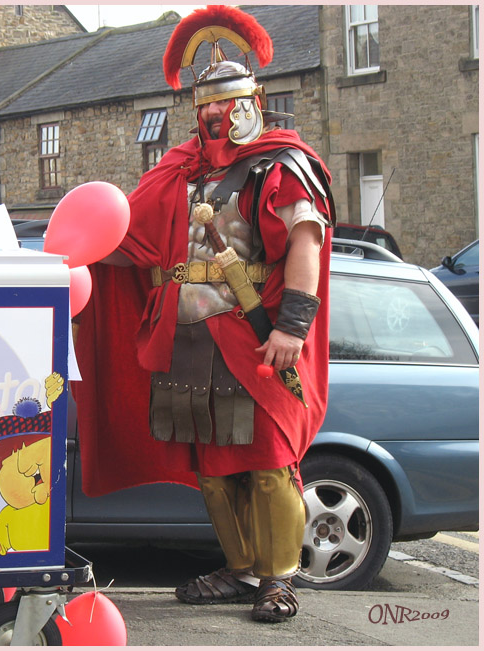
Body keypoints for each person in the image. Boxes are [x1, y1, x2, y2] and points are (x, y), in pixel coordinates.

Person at [72, 6, 335, 623]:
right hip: (188, 338)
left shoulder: (282, 163)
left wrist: (293, 327)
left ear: (254, 99)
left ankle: (279, 579)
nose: (216, 115)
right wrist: (71, 254)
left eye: (227, 102)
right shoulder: (180, 170)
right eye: (205, 106)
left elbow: (305, 241)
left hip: (253, 337)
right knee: (214, 469)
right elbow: (125, 236)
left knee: (269, 464)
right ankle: (242, 570)